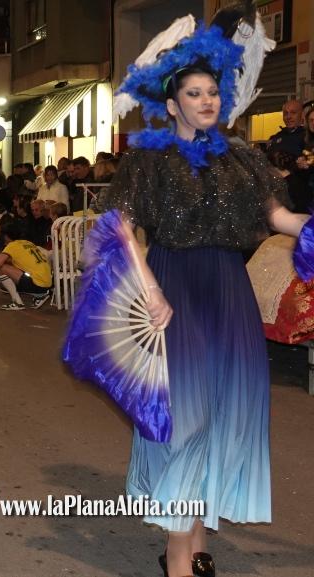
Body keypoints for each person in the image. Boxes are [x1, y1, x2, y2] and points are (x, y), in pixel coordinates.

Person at [93, 11, 311, 577]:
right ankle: (177, 556)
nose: (207, 100)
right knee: (184, 421)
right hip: (173, 288)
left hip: (228, 292)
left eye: (212, 92)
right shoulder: (149, 160)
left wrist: (309, 225)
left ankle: (192, 543)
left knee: (221, 416)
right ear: (172, 105)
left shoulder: (243, 159)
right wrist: (149, 289)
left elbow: (278, 217)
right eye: (194, 93)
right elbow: (120, 227)